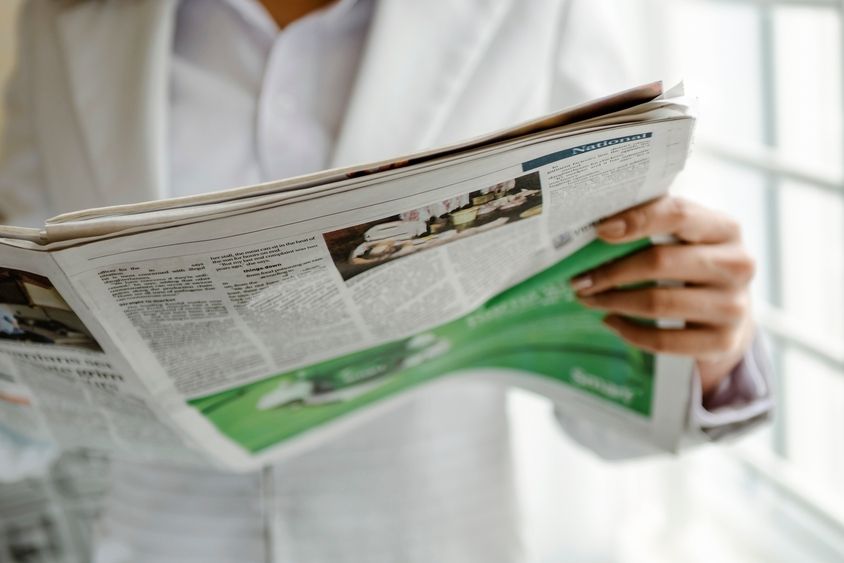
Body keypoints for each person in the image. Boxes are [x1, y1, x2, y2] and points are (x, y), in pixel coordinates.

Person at [0, 0, 772, 561]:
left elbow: (602, 410)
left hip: (437, 538)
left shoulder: (538, 14)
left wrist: (702, 338)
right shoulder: (63, 23)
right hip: (152, 540)